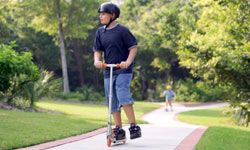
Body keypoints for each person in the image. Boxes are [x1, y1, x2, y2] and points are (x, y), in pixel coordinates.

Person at [93, 2, 141, 141]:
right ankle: (119, 129)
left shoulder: (122, 30)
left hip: (123, 70)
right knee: (111, 98)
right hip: (108, 70)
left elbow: (133, 47)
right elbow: (97, 50)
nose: (100, 16)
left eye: (103, 14)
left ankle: (133, 126)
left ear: (112, 15)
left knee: (122, 93)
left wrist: (128, 62)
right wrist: (97, 61)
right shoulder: (100, 32)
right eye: (100, 14)